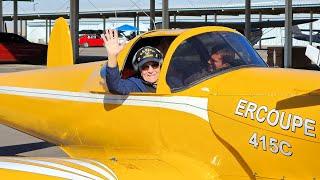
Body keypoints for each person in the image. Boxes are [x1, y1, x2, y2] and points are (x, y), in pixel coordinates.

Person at [101, 29, 163, 95]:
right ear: (139, 70)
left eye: (154, 65)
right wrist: (112, 56)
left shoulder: (171, 80)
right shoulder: (136, 85)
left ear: (160, 66)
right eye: (145, 67)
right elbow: (116, 87)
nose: (150, 70)